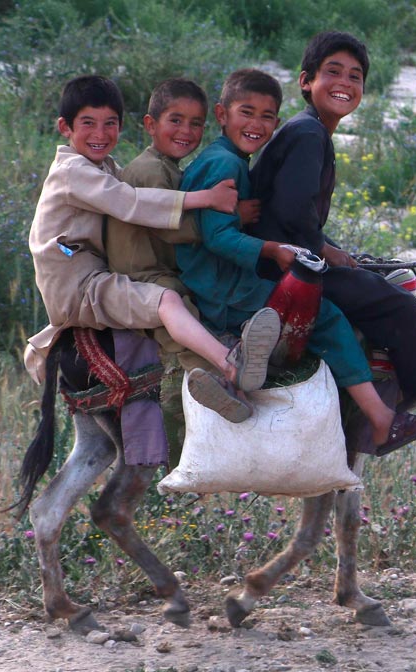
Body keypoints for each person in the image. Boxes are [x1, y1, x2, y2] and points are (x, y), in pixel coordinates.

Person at [249, 31, 416, 447]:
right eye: (332, 72)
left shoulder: (308, 131)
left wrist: (336, 250)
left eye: (355, 77)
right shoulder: (308, 134)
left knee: (375, 277)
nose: (345, 83)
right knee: (398, 304)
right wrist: (326, 250)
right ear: (305, 82)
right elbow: (293, 212)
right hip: (280, 267)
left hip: (287, 255)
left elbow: (294, 213)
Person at [176, 68, 416, 455]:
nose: (256, 124)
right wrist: (272, 250)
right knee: (327, 315)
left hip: (221, 278)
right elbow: (217, 237)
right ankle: (379, 417)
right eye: (246, 112)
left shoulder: (227, 158)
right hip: (223, 287)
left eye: (267, 116)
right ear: (222, 115)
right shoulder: (225, 165)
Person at [26, 75, 280, 433]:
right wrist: (211, 202)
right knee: (169, 303)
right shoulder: (73, 173)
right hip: (79, 286)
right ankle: (227, 367)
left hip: (94, 276)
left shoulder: (106, 168)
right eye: (88, 124)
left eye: (110, 124)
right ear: (64, 127)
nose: (100, 134)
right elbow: (132, 204)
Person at [103, 78, 278, 445]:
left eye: (195, 124)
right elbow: (169, 226)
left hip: (158, 268)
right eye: (175, 120)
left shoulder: (168, 166)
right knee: (182, 318)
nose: (186, 131)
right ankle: (221, 378)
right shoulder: (150, 169)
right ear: (150, 125)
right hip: (143, 274)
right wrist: (234, 219)